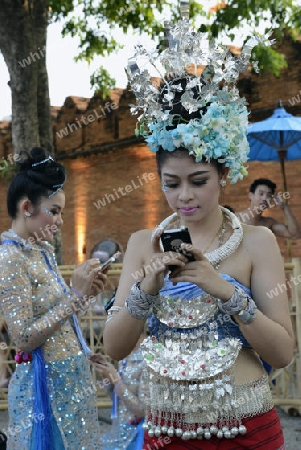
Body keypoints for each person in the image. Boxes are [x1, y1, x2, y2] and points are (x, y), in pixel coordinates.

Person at [103, 18, 294, 450]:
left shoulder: (256, 241)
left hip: (245, 428)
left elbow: (283, 353)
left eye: (198, 180)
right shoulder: (141, 244)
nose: (184, 196)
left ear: (224, 173)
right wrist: (144, 290)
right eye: (171, 183)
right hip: (167, 432)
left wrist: (225, 292)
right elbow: (115, 347)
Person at [0, 147, 107, 450]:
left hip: (68, 379)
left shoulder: (40, 251)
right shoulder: (10, 258)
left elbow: (57, 317)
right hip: (44, 390)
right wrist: (74, 296)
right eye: (55, 211)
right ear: (26, 207)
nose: (60, 222)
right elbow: (22, 339)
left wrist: (85, 293)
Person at [89, 333, 146, 450]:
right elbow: (118, 399)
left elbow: (142, 410)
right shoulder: (126, 356)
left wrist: (115, 379)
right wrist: (107, 374)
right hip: (119, 432)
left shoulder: (147, 359)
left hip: (136, 436)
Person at [237, 178, 301, 239]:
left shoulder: (268, 223)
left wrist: (285, 207)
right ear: (250, 195)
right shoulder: (234, 218)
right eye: (261, 194)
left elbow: (295, 234)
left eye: (269, 195)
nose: (265, 198)